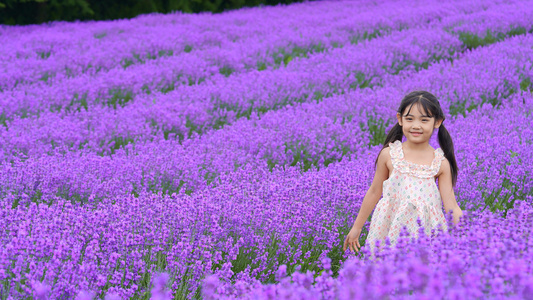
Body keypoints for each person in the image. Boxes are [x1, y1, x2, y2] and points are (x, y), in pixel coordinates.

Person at [343, 90, 463, 254]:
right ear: (400, 119)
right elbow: (374, 191)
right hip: (389, 227)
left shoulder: (440, 163)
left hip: (426, 233)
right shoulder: (390, 155)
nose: (416, 125)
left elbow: (452, 206)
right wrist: (357, 227)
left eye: (424, 120)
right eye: (409, 119)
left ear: (437, 122)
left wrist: (467, 237)